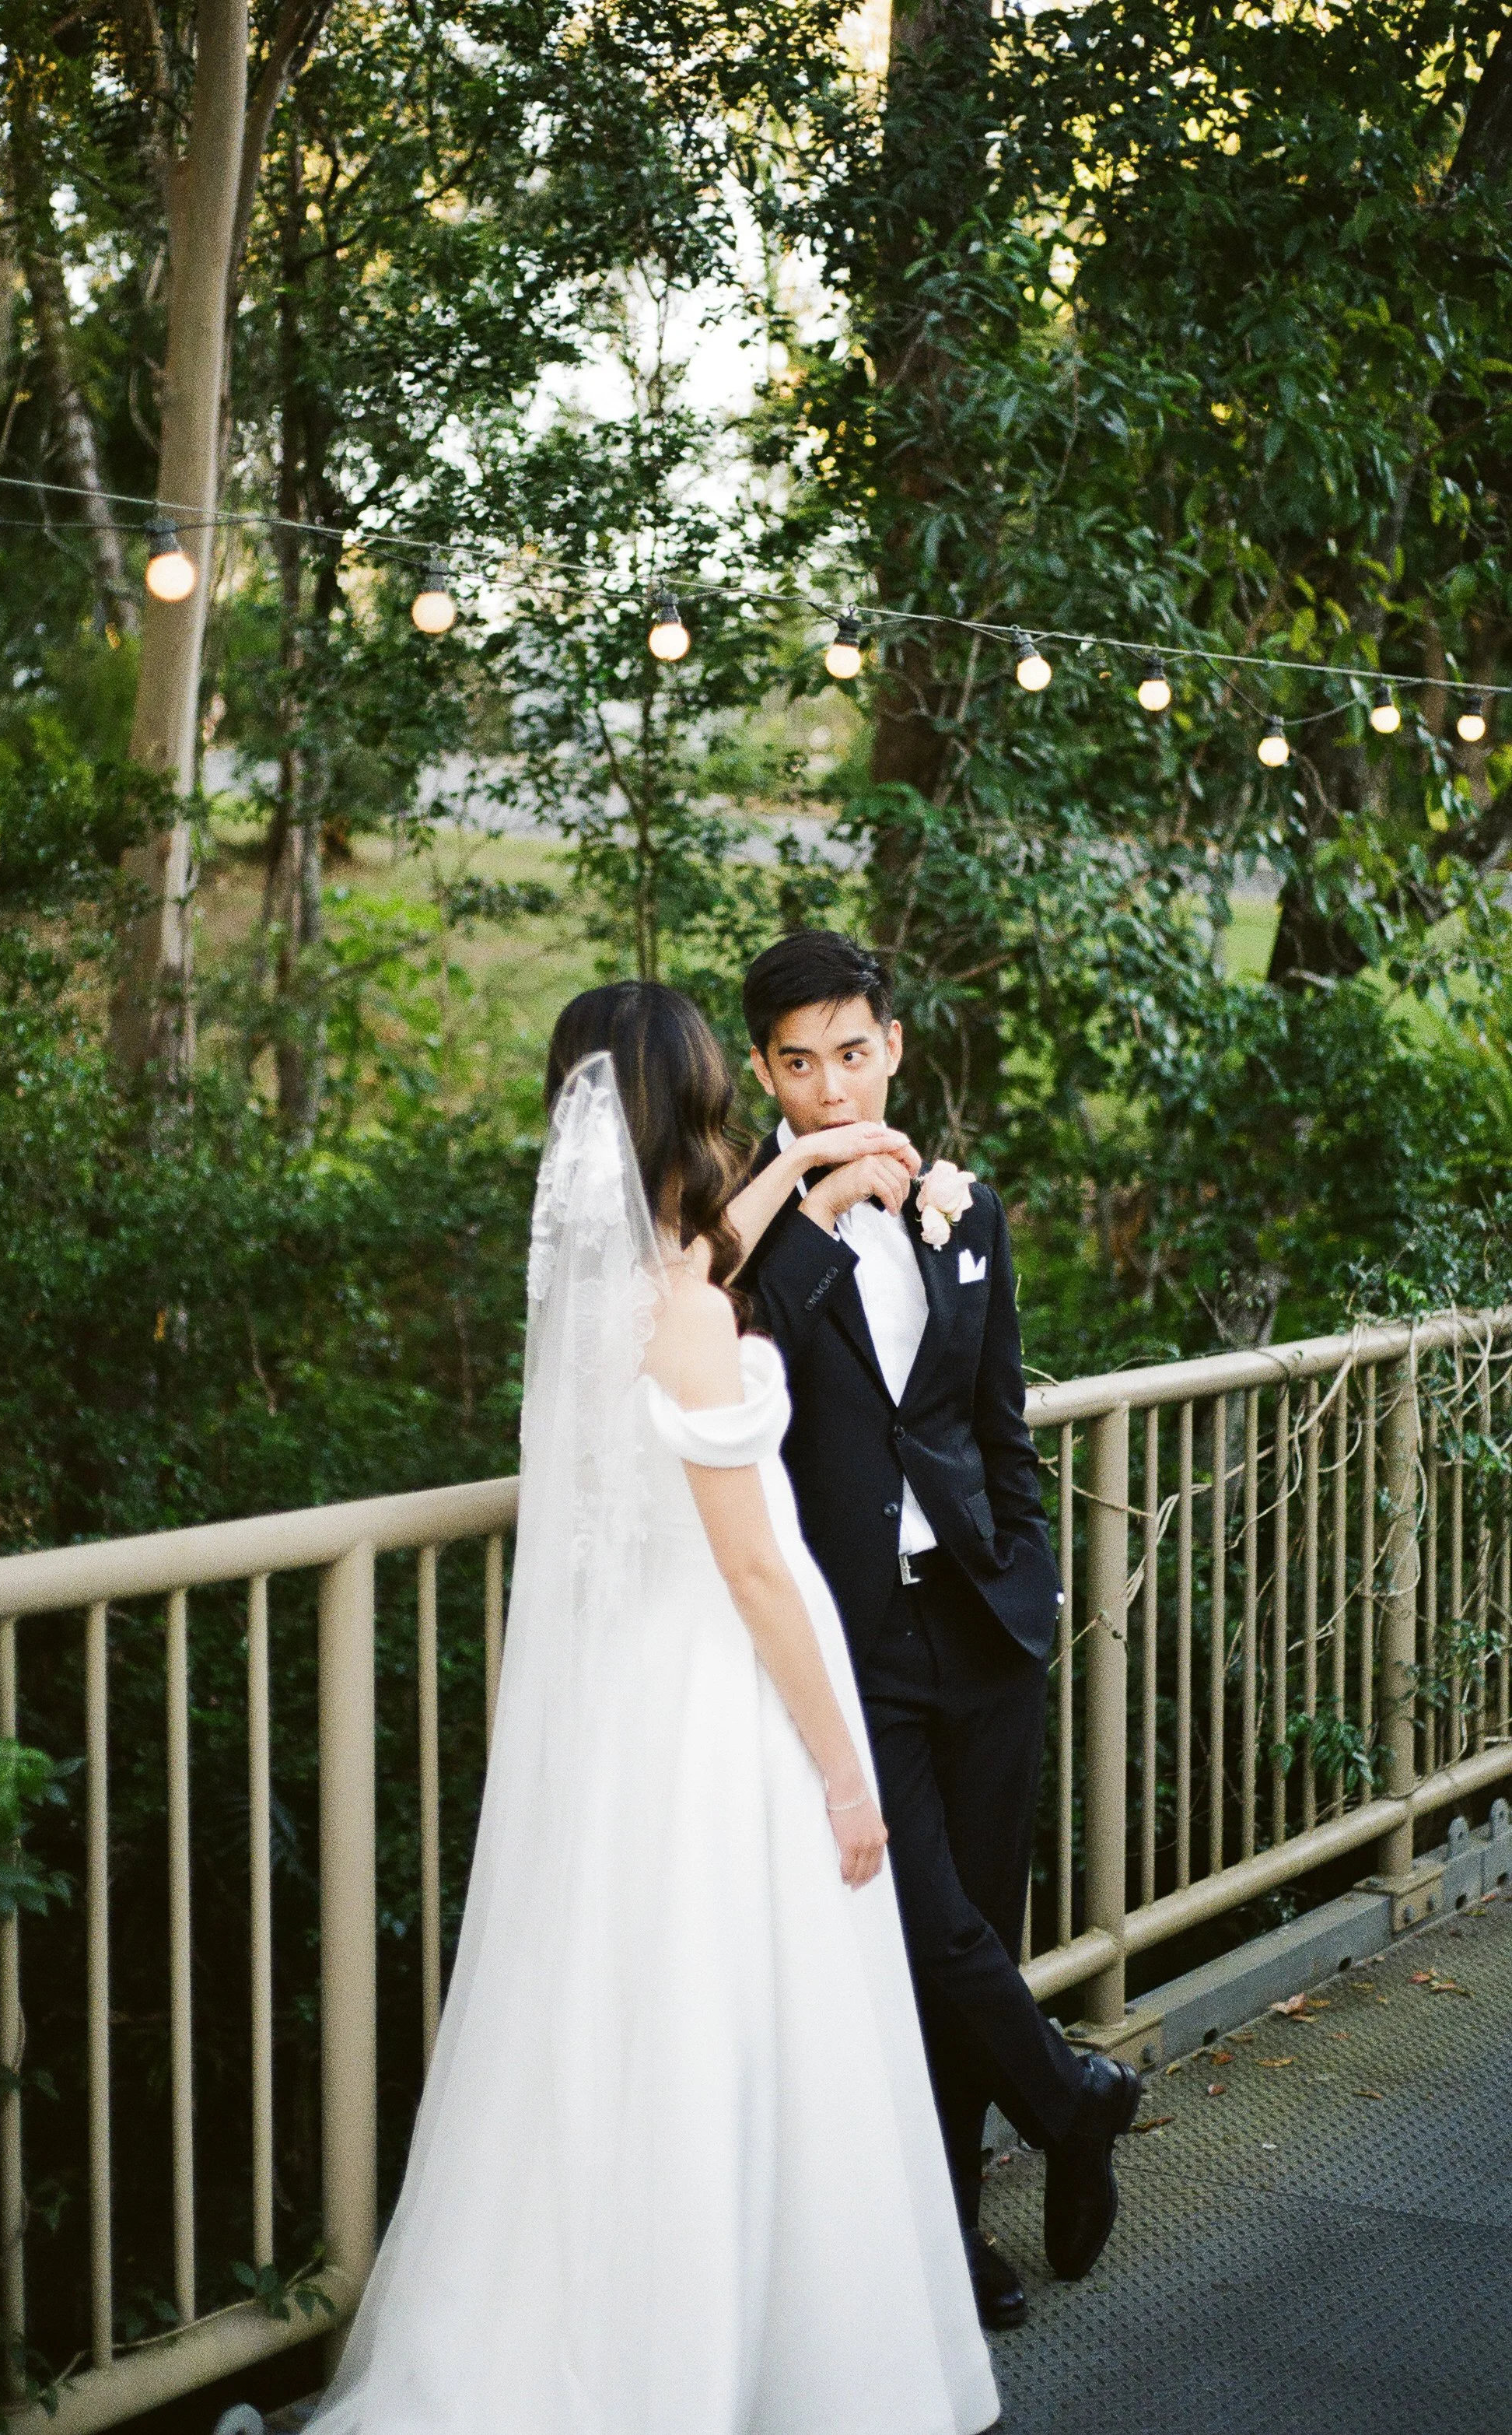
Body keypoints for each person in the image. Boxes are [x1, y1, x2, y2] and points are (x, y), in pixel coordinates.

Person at [302, 979, 1001, 2435]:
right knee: (733, 2020)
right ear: (691, 1100)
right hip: (726, 1697)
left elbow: (716, 1250)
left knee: (624, 2015)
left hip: (629, 1701)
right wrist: (844, 1767)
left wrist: (818, 1166)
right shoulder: (681, 1307)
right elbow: (751, 1564)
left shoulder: (627, 1281)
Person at [730, 930, 1142, 2334]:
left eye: (853, 1053)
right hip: (847, 1639)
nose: (831, 1087)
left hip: (982, 1618)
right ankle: (1071, 2097)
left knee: (975, 1921)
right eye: (798, 1063)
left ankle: (955, 2228)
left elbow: (993, 1419)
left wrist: (1025, 1573)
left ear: (893, 1047)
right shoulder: (748, 1237)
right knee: (923, 1923)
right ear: (763, 1073)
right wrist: (811, 1190)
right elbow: (741, 1340)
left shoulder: (967, 1211)